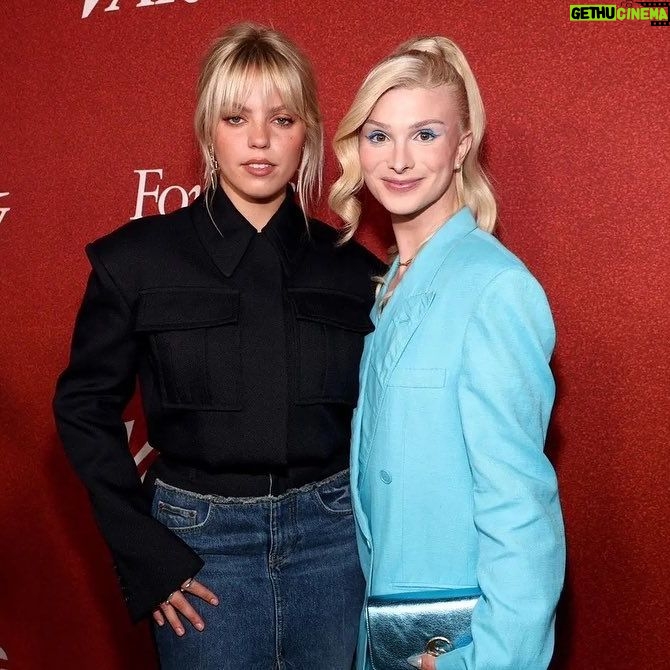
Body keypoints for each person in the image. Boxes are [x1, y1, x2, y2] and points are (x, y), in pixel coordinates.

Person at [53, 22, 384, 670]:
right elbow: (82, 407)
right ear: (209, 129)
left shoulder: (355, 272)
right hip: (198, 554)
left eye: (282, 118)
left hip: (335, 543)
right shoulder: (136, 260)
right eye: (237, 117)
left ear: (308, 133)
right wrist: (146, 553)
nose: (259, 139)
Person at [329, 36, 565, 670]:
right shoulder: (391, 285)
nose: (399, 160)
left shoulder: (494, 287)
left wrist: (486, 662)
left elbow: (521, 512)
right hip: (390, 638)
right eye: (379, 136)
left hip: (457, 648)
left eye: (425, 134)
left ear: (462, 146)